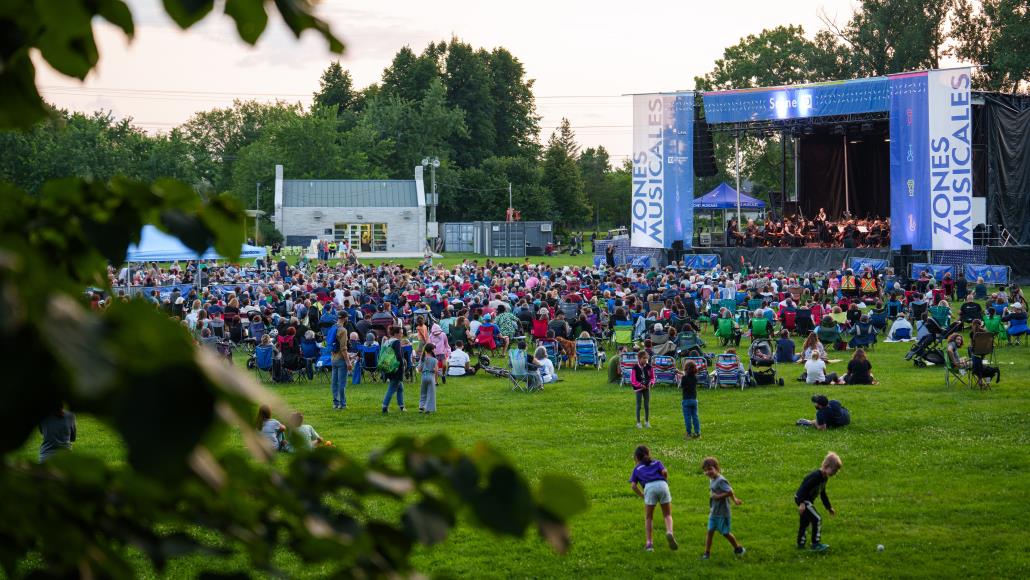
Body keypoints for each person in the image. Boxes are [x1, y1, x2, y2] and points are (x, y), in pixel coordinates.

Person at [629, 445, 678, 552]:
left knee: (649, 517)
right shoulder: (657, 462)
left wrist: (642, 495)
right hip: (662, 485)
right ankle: (669, 532)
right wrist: (665, 478)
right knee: (667, 514)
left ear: (636, 457)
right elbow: (664, 472)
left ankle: (649, 544)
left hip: (649, 487)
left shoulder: (637, 468)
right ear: (648, 453)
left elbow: (633, 486)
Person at [795, 452, 843, 551]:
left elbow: (823, 494)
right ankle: (815, 544)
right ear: (826, 466)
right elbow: (802, 489)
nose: (834, 473)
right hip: (802, 498)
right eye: (834, 470)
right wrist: (802, 503)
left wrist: (829, 507)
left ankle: (800, 544)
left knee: (805, 521)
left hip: (806, 500)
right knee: (817, 519)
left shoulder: (824, 478)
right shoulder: (816, 476)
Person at [701, 457, 745, 560]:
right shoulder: (712, 479)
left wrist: (723, 498)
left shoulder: (721, 480)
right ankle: (706, 553)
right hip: (714, 512)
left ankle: (738, 548)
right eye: (706, 470)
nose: (708, 472)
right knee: (710, 531)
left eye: (710, 469)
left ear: (716, 468)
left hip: (722, 513)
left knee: (725, 533)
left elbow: (729, 491)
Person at [381, 326, 407, 414]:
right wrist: (402, 365)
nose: (402, 334)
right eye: (401, 333)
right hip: (396, 367)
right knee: (392, 387)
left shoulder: (387, 341)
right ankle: (384, 406)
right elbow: (399, 355)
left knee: (400, 387)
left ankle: (401, 406)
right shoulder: (396, 342)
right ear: (396, 334)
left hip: (388, 366)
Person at [631, 351, 655, 428]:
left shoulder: (649, 367)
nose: (645, 360)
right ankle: (638, 422)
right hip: (638, 389)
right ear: (639, 358)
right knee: (639, 405)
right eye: (644, 358)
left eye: (646, 358)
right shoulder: (635, 368)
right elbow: (633, 380)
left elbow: (652, 377)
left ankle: (647, 421)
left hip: (647, 388)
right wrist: (640, 385)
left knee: (646, 405)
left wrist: (651, 382)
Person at [680, 361, 700, 439]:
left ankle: (689, 433)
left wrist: (682, 375)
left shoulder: (684, 378)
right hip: (694, 400)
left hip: (686, 400)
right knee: (695, 416)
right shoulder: (695, 378)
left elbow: (682, 386)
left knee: (687, 417)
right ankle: (697, 432)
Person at [418, 343, 439, 414]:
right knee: (431, 393)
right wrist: (436, 380)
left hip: (424, 376)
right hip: (431, 376)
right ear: (432, 350)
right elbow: (436, 371)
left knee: (423, 392)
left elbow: (419, 369)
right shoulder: (434, 360)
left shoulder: (422, 358)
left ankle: (421, 407)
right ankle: (428, 408)